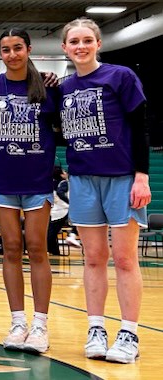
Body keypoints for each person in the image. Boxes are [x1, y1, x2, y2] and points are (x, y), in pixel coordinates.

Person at [59, 17, 149, 364]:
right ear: (65, 48)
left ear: (97, 44)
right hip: (83, 179)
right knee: (93, 258)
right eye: (74, 42)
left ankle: (129, 333)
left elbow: (141, 125)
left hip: (121, 177)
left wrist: (141, 176)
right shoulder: (65, 88)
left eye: (86, 40)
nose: (80, 46)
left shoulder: (120, 76)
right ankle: (95, 328)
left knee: (125, 259)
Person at [0, 28, 59, 353]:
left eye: (17, 48)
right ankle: (18, 322)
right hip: (2, 179)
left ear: (29, 49)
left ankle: (40, 325)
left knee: (37, 247)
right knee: (11, 248)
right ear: (0, 53)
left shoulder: (47, 87)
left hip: (36, 180)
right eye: (6, 49)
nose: (12, 54)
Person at [48, 166, 75, 255]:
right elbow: (60, 193)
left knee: (51, 234)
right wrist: (69, 202)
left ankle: (54, 251)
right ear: (60, 174)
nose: (66, 173)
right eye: (64, 172)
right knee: (51, 234)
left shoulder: (58, 183)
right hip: (61, 210)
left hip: (60, 211)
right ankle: (54, 251)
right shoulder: (63, 183)